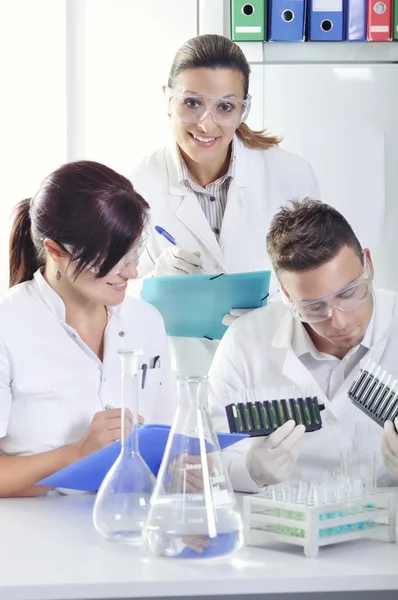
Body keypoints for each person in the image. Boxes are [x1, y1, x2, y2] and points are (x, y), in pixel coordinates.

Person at [130, 33, 320, 374]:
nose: (207, 123)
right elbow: (108, 303)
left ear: (243, 109)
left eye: (225, 107)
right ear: (166, 98)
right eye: (192, 103)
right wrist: (152, 286)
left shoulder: (291, 176)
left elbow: (321, 285)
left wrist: (277, 315)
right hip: (180, 378)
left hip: (269, 371)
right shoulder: (136, 186)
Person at [0, 161, 175, 498]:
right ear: (55, 252)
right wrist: (76, 455)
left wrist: (183, 467)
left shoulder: (146, 321)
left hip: (128, 525)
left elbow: (165, 440)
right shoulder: (9, 326)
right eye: (110, 258)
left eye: (135, 251)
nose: (132, 272)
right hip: (33, 537)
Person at [208, 199, 398, 492]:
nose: (338, 322)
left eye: (349, 293)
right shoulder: (244, 342)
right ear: (286, 296)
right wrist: (249, 470)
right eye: (314, 306)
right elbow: (205, 457)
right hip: (279, 527)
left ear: (368, 265)